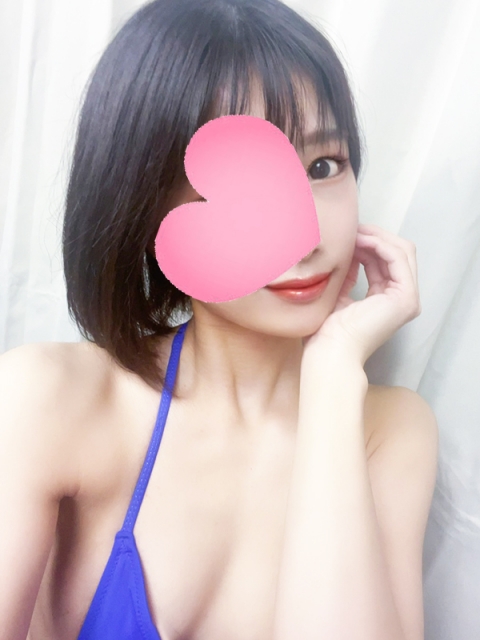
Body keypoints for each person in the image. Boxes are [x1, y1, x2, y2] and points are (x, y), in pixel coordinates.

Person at [0, 1, 439, 639]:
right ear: (145, 203)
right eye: (239, 185)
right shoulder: (50, 399)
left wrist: (332, 379)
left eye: (323, 166)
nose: (306, 237)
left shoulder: (389, 432)